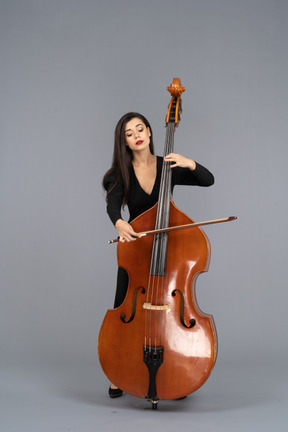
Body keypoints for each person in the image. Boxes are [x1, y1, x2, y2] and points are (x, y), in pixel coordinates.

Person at [102, 112, 214, 398]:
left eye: (141, 128)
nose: (137, 134)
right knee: (123, 303)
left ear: (150, 132)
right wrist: (120, 223)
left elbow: (208, 180)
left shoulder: (168, 166)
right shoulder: (121, 173)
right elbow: (113, 204)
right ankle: (117, 373)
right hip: (137, 249)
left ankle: (175, 372)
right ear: (125, 142)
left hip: (169, 247)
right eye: (129, 133)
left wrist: (190, 163)